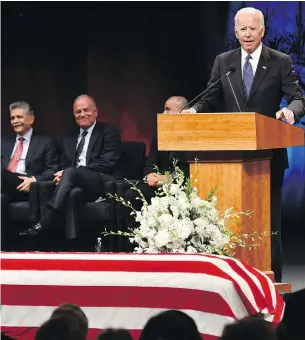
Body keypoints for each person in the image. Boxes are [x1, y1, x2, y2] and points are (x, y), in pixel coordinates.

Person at [182, 7, 305, 282]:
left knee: (268, 223)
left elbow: (297, 97)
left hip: (268, 154)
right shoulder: (224, 61)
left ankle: (270, 281)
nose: (247, 34)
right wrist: (195, 110)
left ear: (262, 31)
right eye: (242, 29)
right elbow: (211, 96)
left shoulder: (280, 61)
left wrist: (290, 112)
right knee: (229, 218)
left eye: (253, 28)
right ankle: (229, 279)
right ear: (235, 32)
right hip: (228, 156)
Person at [20, 94, 122, 239]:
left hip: (101, 179)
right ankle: (72, 243)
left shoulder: (109, 132)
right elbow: (63, 164)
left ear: (95, 112)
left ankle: (44, 221)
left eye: (86, 110)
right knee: (73, 194)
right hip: (72, 182)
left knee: (70, 173)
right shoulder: (68, 136)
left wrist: (72, 172)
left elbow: (107, 163)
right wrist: (62, 173)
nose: (82, 114)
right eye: (78, 112)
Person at [122, 96, 189, 240]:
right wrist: (150, 175)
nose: (163, 114)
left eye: (168, 110)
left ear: (183, 112)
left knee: (133, 195)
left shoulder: (192, 134)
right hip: (156, 183)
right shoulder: (160, 132)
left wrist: (170, 179)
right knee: (127, 192)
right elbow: (150, 162)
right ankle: (132, 241)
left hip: (180, 185)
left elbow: (191, 167)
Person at [1, 101, 59, 202]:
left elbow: (53, 170)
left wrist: (34, 179)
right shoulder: (4, 142)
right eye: (12, 118)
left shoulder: (46, 142)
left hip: (27, 185)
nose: (15, 121)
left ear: (31, 119)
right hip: (5, 185)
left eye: (19, 117)